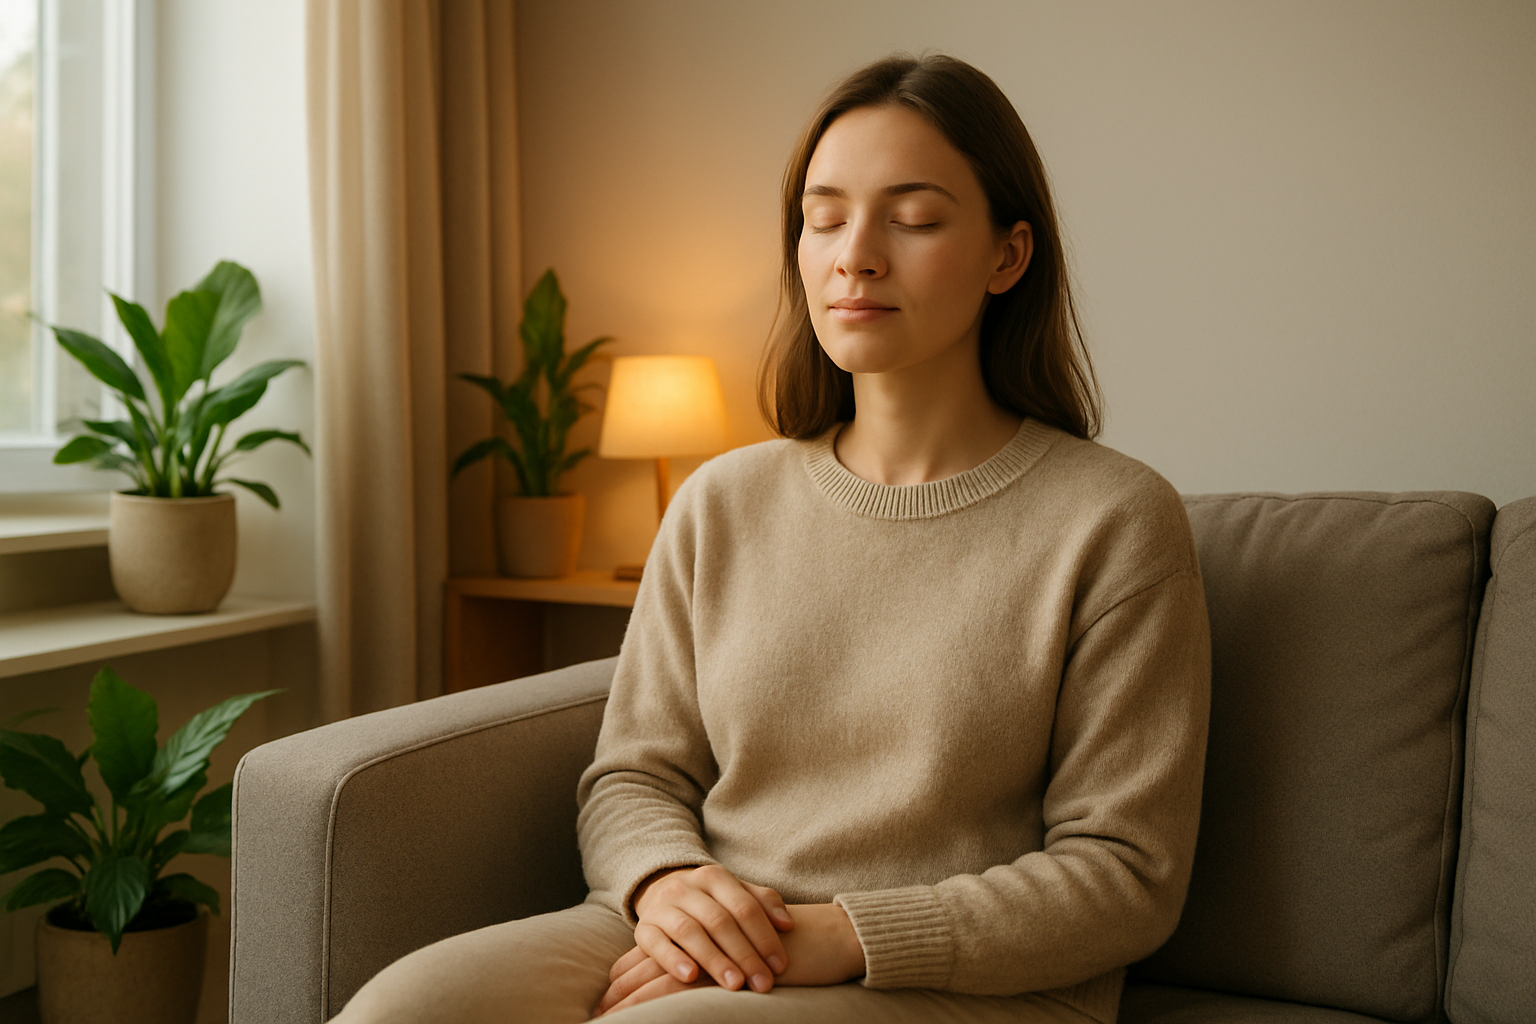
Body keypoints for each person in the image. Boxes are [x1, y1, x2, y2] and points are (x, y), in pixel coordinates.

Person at [336, 53, 1210, 1024]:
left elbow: (1127, 872)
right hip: (722, 920)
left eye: (913, 219)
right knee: (398, 1010)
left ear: (1009, 256)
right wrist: (667, 883)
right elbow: (636, 770)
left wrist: (835, 935)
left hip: (965, 981)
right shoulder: (721, 500)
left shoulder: (1116, 519)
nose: (856, 254)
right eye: (825, 217)